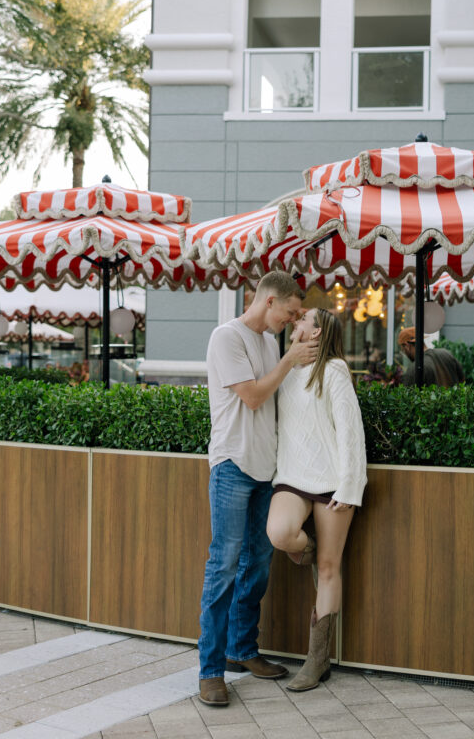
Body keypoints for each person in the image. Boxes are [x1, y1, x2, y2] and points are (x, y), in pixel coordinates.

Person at [198, 271, 319, 708]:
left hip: (266, 470)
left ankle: (241, 650)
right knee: (225, 564)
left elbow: (277, 402)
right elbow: (251, 396)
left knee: (258, 565)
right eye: (289, 311)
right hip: (232, 464)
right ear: (269, 301)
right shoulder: (226, 337)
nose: (291, 320)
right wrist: (288, 360)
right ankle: (210, 671)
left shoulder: (270, 342)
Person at [266, 307, 367, 692]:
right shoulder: (285, 368)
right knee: (279, 533)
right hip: (291, 477)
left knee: (329, 567)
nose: (297, 321)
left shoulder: (335, 370)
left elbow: (349, 431)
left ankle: (317, 660)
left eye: (304, 318)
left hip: (332, 482)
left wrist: (349, 486)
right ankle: (304, 551)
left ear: (319, 331)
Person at [398, 326, 464, 386]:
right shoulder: (446, 353)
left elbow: (409, 397)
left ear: (407, 346)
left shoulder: (414, 369)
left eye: (403, 350)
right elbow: (462, 380)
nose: (404, 353)